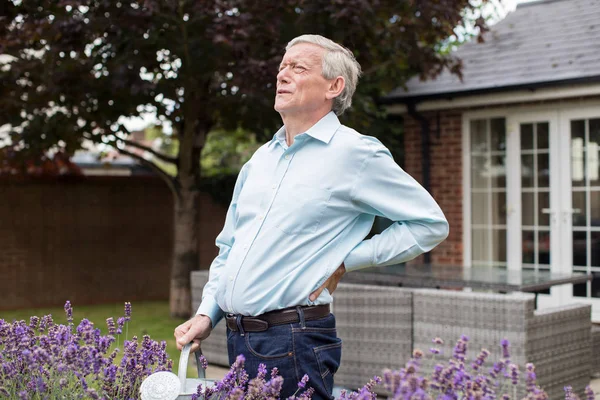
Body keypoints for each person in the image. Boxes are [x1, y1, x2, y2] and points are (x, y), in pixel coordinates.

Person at [174, 34, 449, 399]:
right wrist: (208, 313)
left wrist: (347, 260)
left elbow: (429, 224)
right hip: (237, 340)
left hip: (294, 342)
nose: (282, 75)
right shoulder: (260, 160)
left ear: (334, 86)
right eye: (282, 66)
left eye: (298, 67)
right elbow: (230, 246)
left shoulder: (355, 153)